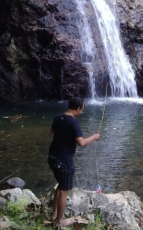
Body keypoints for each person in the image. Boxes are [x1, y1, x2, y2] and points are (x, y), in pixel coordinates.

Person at [47, 97, 100, 228]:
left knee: (60, 186)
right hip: (64, 161)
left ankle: (54, 214)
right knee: (64, 190)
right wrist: (94, 137)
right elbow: (81, 143)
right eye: (82, 109)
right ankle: (60, 222)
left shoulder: (58, 117)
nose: (82, 111)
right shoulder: (73, 123)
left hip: (52, 157)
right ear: (78, 108)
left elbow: (52, 131)